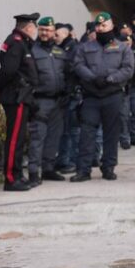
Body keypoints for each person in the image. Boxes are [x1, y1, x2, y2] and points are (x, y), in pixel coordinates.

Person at [71, 12, 135, 182]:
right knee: (87, 133)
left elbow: (128, 69)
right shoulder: (85, 47)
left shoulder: (123, 48)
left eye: (104, 25)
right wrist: (92, 78)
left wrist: (110, 79)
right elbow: (77, 64)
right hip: (91, 96)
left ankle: (108, 167)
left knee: (111, 134)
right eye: (98, 26)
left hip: (112, 95)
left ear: (111, 26)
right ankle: (83, 170)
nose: (100, 28)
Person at [0, 13, 40, 192]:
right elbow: (8, 71)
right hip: (16, 96)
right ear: (28, 27)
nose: (37, 30)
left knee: (19, 140)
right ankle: (11, 179)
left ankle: (17, 175)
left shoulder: (22, 43)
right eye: (35, 27)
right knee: (14, 140)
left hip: (22, 96)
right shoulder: (16, 43)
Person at [27, 16, 69, 186]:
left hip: (58, 101)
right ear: (39, 30)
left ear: (54, 32)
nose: (45, 33)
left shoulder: (60, 52)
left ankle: (48, 168)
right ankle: (33, 172)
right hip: (40, 101)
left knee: (54, 137)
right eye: (42, 29)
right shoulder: (31, 50)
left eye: (49, 30)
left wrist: (68, 92)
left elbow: (68, 73)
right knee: (38, 137)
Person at [54, 23, 80, 174]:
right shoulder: (61, 48)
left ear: (66, 34)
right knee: (65, 130)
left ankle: (71, 161)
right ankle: (63, 160)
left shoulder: (72, 49)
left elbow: (70, 71)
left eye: (57, 34)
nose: (54, 37)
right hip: (65, 95)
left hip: (72, 95)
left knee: (71, 130)